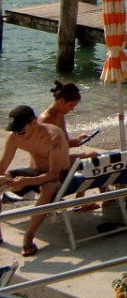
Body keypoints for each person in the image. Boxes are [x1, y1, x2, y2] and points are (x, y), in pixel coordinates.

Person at [0, 105, 72, 257]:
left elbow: (53, 175)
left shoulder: (53, 136)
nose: (18, 134)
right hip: (36, 171)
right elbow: (2, 167)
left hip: (59, 174)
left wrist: (26, 182)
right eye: (15, 130)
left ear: (33, 123)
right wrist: (4, 179)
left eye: (21, 131)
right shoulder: (16, 137)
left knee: (48, 188)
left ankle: (29, 237)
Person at [39, 81, 97, 152]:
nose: (72, 109)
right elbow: (45, 151)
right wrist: (81, 156)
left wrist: (77, 140)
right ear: (61, 101)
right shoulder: (46, 120)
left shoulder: (60, 114)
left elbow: (64, 143)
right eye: (71, 105)